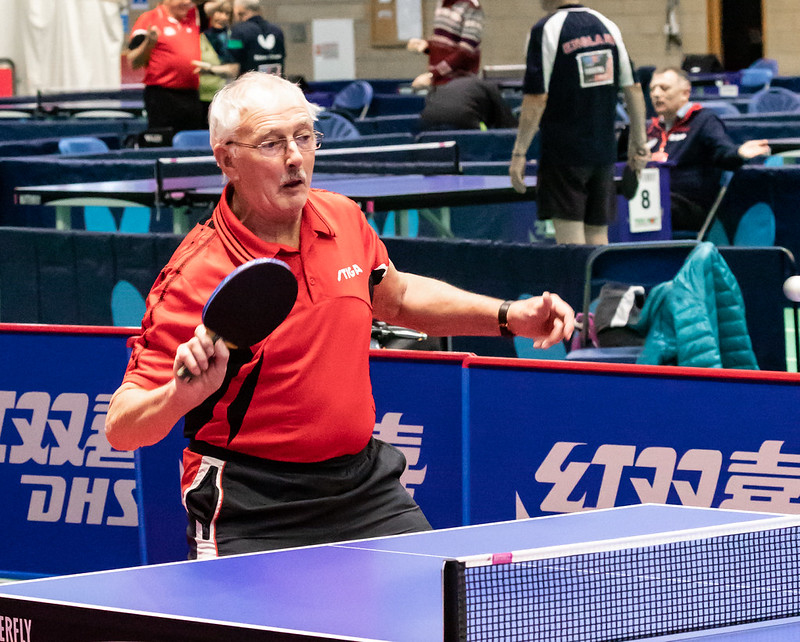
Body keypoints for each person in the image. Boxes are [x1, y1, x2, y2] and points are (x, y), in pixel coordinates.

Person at [105, 72, 575, 558]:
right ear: (227, 159)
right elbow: (122, 428)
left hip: (362, 486)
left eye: (304, 137)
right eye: (271, 143)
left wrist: (509, 316)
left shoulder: (343, 219)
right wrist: (179, 395)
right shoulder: (194, 275)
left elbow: (398, 297)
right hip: (252, 502)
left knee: (438, 606)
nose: (294, 157)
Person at [509, 1, 650, 245]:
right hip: (603, 152)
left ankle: (577, 285)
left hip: (564, 155)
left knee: (570, 246)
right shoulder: (607, 25)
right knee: (597, 238)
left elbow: (536, 98)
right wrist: (639, 143)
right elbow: (634, 88)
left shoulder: (546, 29)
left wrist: (519, 152)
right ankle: (599, 285)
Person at [646, 66, 771, 232]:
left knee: (655, 203)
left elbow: (722, 151)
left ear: (685, 93)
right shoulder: (650, 129)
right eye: (652, 89)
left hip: (690, 206)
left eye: (664, 88)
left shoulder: (704, 120)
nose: (656, 94)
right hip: (652, 199)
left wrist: (738, 153)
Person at [127, 0, 206, 133]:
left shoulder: (193, 15)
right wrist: (148, 43)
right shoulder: (149, 19)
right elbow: (133, 62)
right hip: (161, 96)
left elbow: (220, 3)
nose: (188, 2)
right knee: (163, 142)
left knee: (191, 143)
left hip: (191, 96)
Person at [407, 0, 484, 90]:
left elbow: (465, 51)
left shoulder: (471, 6)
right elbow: (446, 44)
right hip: (439, 83)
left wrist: (433, 74)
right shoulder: (442, 3)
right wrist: (427, 46)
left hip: (460, 85)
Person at [419, 75, 518, 130]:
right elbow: (506, 120)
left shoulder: (449, 85)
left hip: (427, 119)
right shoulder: (490, 87)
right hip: (463, 118)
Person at [195, 1, 236, 122]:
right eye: (219, 12)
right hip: (202, 98)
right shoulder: (199, 38)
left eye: (227, 13)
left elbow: (235, 66)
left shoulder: (234, 38)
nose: (222, 17)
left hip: (227, 98)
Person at [227, 0, 286, 77]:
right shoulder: (277, 30)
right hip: (274, 84)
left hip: (248, 84)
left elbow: (232, 59)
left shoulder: (237, 31)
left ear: (239, 11)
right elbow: (283, 56)